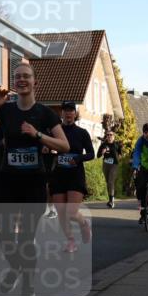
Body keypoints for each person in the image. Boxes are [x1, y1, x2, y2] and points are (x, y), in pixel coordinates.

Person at [0, 62, 69, 296]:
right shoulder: (6, 111)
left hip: (34, 182)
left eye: (26, 76)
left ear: (34, 82)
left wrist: (38, 135)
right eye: (17, 77)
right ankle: (15, 267)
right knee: (5, 236)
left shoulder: (45, 113)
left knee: (26, 237)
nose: (21, 80)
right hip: (8, 180)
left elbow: (64, 146)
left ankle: (28, 285)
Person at [49, 102, 94, 253]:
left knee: (71, 212)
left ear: (75, 114)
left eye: (71, 111)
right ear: (61, 113)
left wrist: (78, 159)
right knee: (61, 211)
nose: (68, 114)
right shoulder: (55, 131)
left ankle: (83, 223)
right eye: (65, 111)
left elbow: (91, 154)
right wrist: (46, 148)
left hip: (75, 175)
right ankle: (70, 241)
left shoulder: (82, 133)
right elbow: (47, 146)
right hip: (59, 175)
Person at [97, 130, 122, 208]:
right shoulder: (103, 144)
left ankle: (111, 201)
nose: (109, 136)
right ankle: (110, 199)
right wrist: (102, 152)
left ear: (114, 136)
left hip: (114, 164)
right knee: (108, 182)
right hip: (106, 164)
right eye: (108, 135)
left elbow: (120, 155)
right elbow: (98, 155)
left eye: (111, 135)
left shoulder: (117, 144)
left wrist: (116, 151)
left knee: (111, 181)